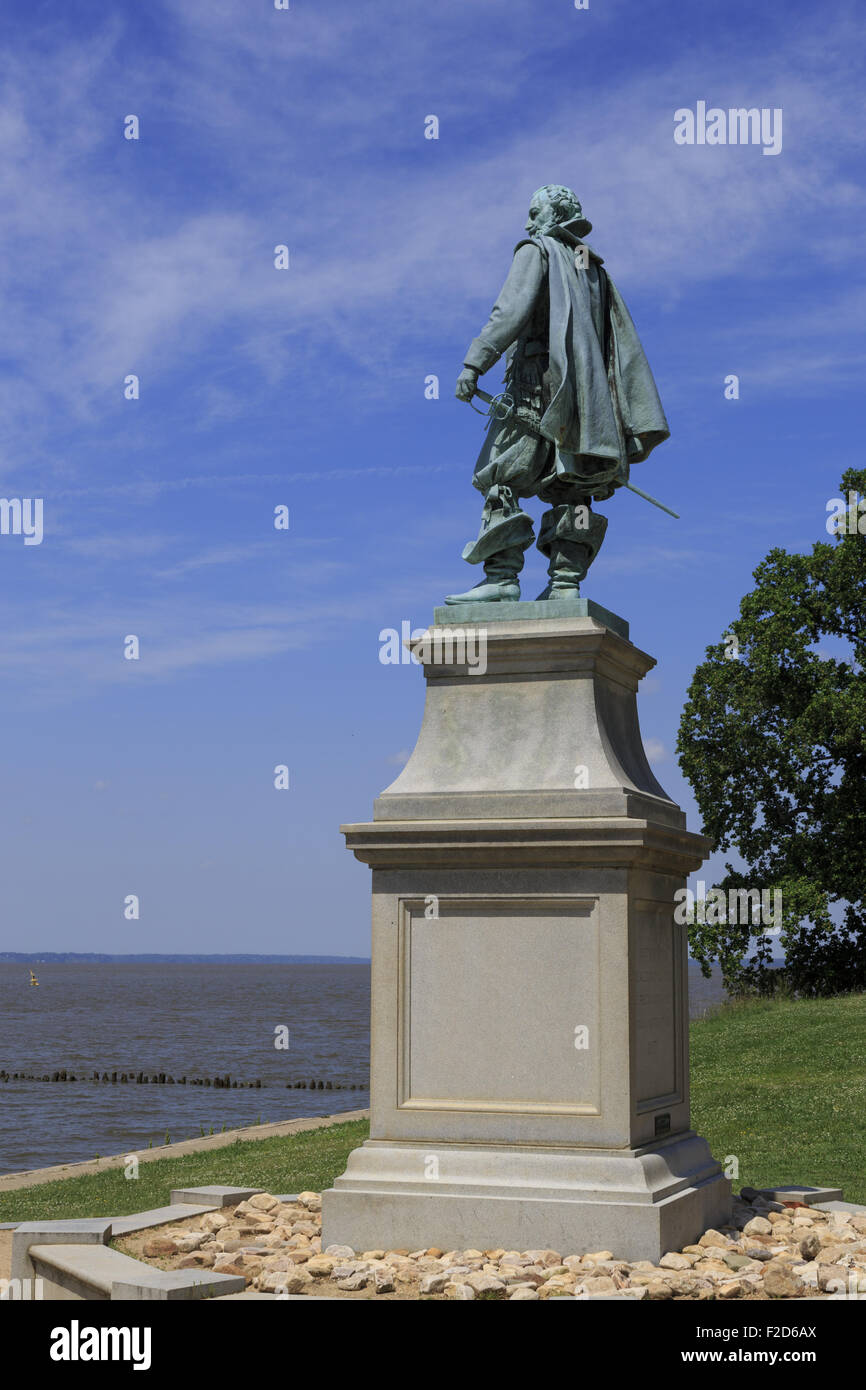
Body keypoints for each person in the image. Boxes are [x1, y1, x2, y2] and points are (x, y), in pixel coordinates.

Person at [445, 184, 670, 604]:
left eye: (534, 213)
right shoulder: (592, 267)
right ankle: (566, 583)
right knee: (573, 487)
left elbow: (510, 311)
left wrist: (475, 362)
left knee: (500, 475)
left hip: (534, 390)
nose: (528, 222)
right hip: (586, 402)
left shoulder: (538, 250)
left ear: (554, 215)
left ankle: (502, 577)